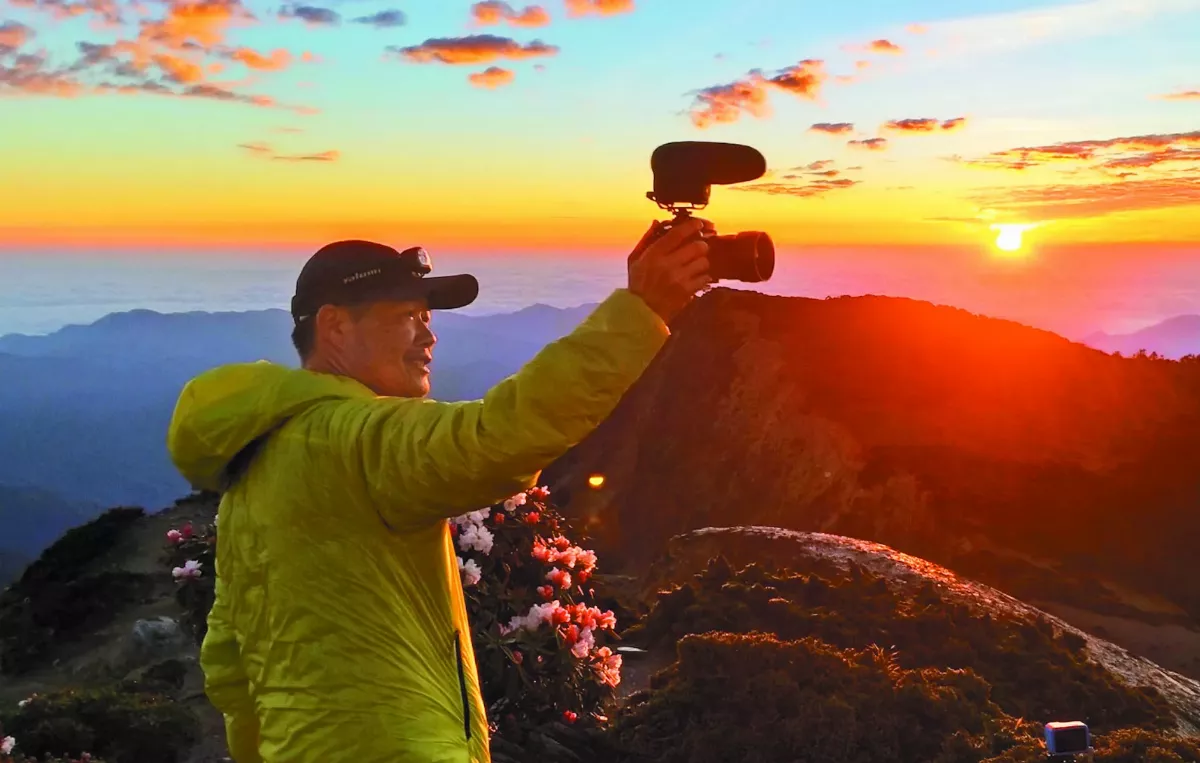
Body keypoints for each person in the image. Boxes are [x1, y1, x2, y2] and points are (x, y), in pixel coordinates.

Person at [165, 218, 713, 763]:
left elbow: (229, 660)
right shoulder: (353, 442)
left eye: (427, 317)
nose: (429, 335)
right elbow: (500, 436)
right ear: (334, 327)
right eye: (406, 316)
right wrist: (644, 309)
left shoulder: (257, 465)